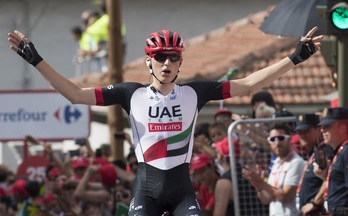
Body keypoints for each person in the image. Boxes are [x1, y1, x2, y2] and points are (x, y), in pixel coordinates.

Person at [7, 27, 323, 216]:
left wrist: (294, 57)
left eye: (173, 57)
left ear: (180, 61)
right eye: (160, 57)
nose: (167, 63)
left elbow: (251, 84)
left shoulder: (196, 92)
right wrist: (36, 60)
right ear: (149, 61)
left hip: (182, 188)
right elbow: (75, 95)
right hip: (146, 188)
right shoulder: (130, 94)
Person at [242, 123, 305, 216]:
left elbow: (286, 196)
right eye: (272, 139)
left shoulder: (296, 162)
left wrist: (262, 183)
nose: (277, 143)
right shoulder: (276, 164)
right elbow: (266, 199)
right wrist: (259, 186)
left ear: (289, 139)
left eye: (281, 138)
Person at [295, 113, 333, 216]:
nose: (303, 135)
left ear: (318, 130)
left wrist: (314, 203)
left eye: (306, 131)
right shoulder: (314, 151)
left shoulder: (324, 151)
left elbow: (330, 178)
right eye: (299, 132)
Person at [313, 107, 348, 216]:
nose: (322, 130)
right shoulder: (341, 150)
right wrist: (325, 176)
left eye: (327, 126)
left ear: (343, 128)